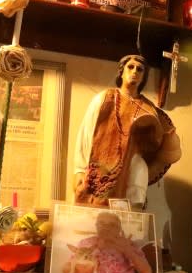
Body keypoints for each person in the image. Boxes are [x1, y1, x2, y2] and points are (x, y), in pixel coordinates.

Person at [74, 54, 181, 207]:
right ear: (121, 72)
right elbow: (86, 133)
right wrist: (79, 169)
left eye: (140, 69)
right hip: (100, 168)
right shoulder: (103, 98)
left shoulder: (148, 108)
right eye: (130, 67)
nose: (135, 71)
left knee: (130, 209)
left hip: (131, 168)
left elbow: (155, 144)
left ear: (143, 77)